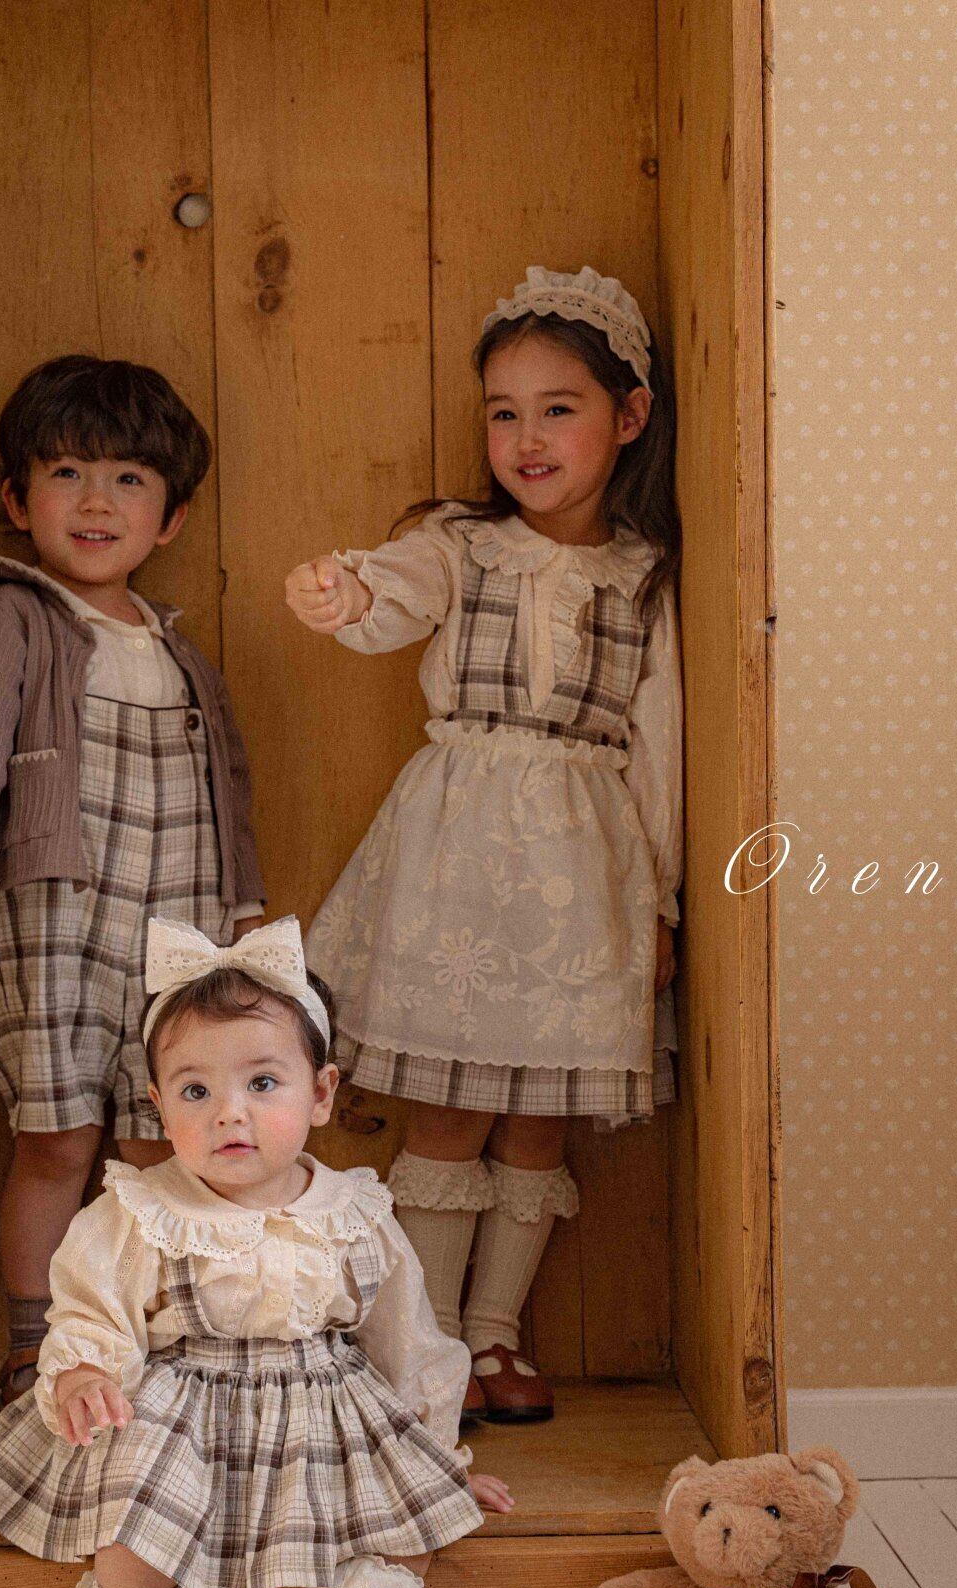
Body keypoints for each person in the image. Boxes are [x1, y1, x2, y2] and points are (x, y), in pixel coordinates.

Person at [0, 916, 511, 1588]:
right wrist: (84, 1371)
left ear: (321, 1094)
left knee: (408, 1524)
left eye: (263, 1082)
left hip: (326, 1410)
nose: (229, 1114)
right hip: (182, 1407)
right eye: (195, 1092)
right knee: (133, 1511)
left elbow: (409, 1341)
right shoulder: (143, 1209)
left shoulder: (355, 1212)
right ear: (157, 1105)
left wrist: (438, 1460)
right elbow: (92, 1306)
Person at [285, 267, 684, 1425]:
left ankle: (496, 1335)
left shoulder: (645, 578)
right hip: (454, 864)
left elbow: (661, 751)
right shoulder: (459, 546)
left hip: (583, 878)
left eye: (558, 408)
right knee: (448, 1111)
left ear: (629, 415)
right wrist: (347, 590)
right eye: (503, 413)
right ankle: (425, 1346)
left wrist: (660, 903)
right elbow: (394, 595)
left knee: (538, 1118)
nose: (526, 438)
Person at [0, 355, 265, 1401]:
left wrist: (241, 921)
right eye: (66, 474)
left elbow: (225, 791)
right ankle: (35, 1348)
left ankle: (149, 1343)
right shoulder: (9, 619)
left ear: (169, 518)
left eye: (128, 480)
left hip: (178, 934)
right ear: (18, 500)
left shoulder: (182, 655)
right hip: (57, 922)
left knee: (159, 1145)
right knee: (56, 1139)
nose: (97, 502)